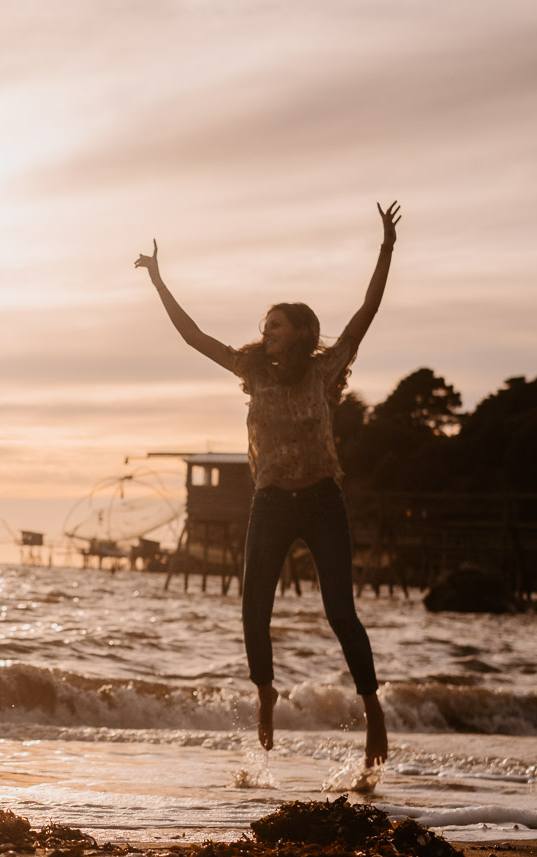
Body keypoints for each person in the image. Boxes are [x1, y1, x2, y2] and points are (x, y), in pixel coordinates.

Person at [135, 202, 401, 766]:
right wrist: (159, 280)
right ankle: (265, 694)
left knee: (339, 612)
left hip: (323, 500)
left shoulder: (326, 368)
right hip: (272, 502)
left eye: (276, 325)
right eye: (265, 327)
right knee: (253, 607)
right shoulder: (251, 371)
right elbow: (192, 336)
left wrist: (386, 249)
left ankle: (373, 709)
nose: (266, 332)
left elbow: (367, 310)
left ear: (303, 332)